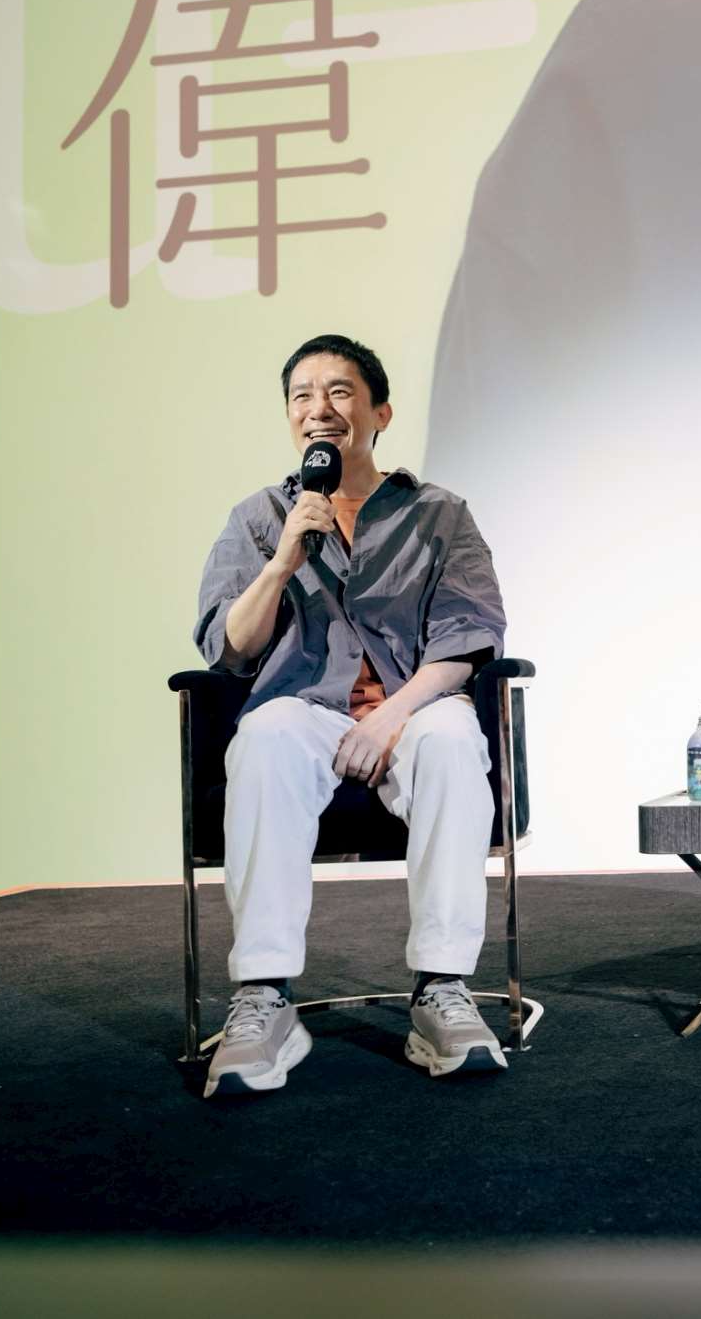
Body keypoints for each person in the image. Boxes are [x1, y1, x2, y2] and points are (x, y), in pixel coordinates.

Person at [193, 333, 510, 1097]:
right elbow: (228, 649)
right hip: (304, 710)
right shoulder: (261, 517)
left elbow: (469, 638)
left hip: (412, 704)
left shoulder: (439, 515)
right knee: (263, 733)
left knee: (450, 735)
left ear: (379, 412)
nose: (318, 409)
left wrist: (389, 717)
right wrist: (282, 563)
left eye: (338, 392)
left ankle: (442, 990)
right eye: (301, 395)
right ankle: (263, 998)